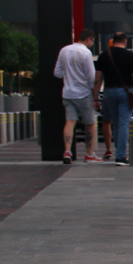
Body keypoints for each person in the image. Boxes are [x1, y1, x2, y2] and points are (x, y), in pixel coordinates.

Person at [94, 32, 133, 166]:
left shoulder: (104, 55)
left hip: (108, 92)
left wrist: (95, 98)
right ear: (125, 42)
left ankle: (119, 152)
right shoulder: (129, 55)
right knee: (124, 123)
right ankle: (120, 156)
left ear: (113, 41)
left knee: (116, 123)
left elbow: (97, 79)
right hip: (126, 92)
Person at [53, 29, 99, 163]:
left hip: (67, 93)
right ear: (88, 39)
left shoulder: (64, 50)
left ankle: (67, 151)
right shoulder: (86, 53)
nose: (92, 44)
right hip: (83, 93)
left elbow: (57, 72)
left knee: (70, 121)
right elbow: (91, 76)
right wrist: (92, 88)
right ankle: (89, 154)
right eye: (93, 41)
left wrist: (69, 76)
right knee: (90, 124)